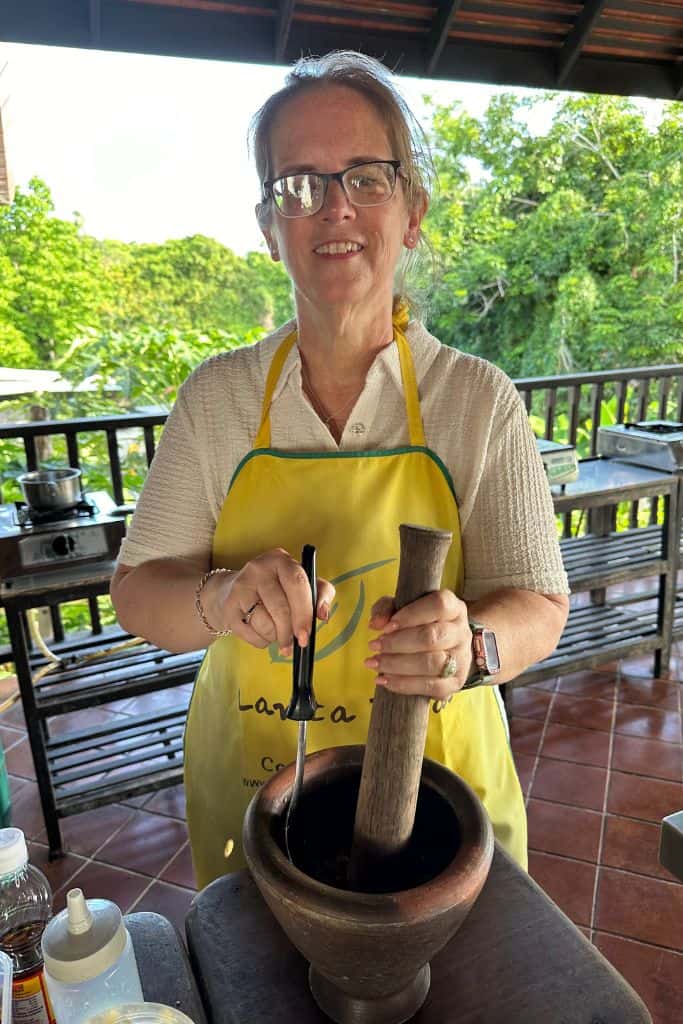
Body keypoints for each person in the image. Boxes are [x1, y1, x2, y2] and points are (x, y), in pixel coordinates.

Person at [111, 52, 569, 890]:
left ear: (412, 210)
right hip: (255, 782)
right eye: (298, 185)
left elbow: (540, 603)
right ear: (266, 223)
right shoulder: (217, 398)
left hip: (440, 794)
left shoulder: (475, 399)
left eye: (365, 177)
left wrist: (469, 647)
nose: (332, 208)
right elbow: (140, 589)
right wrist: (217, 597)